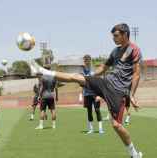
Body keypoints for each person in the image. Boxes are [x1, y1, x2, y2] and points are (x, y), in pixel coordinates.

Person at [30, 23, 142, 158]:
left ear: (125, 34)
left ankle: (134, 154)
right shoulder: (115, 51)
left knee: (116, 125)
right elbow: (104, 68)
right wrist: (91, 76)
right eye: (113, 36)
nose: (114, 38)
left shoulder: (134, 49)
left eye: (116, 35)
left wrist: (132, 95)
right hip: (106, 82)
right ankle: (43, 71)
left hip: (119, 91)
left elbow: (136, 74)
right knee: (77, 77)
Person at [80, 54, 104, 134]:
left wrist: (99, 95)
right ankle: (91, 129)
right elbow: (81, 83)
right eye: (85, 60)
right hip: (86, 94)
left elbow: (98, 83)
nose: (86, 62)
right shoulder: (82, 71)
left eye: (87, 60)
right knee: (89, 111)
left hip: (95, 94)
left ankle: (100, 128)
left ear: (90, 60)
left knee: (97, 110)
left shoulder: (94, 70)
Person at [35, 65, 58, 130]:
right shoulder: (54, 77)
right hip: (51, 96)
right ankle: (53, 125)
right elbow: (56, 88)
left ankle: (41, 126)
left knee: (42, 110)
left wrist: (39, 95)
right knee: (53, 110)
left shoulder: (43, 77)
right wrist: (56, 97)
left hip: (44, 96)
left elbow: (42, 87)